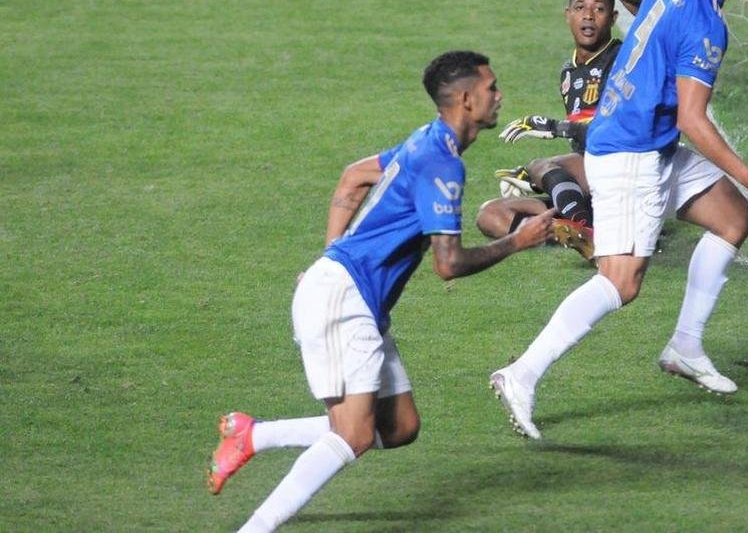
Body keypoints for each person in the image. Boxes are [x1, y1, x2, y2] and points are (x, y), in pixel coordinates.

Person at [206, 51, 555, 532]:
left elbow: (353, 178)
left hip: (355, 298)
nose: (499, 96)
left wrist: (330, 258)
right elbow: (448, 265)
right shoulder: (440, 162)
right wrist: (516, 241)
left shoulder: (425, 139)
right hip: (345, 301)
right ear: (466, 99)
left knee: (399, 426)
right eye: (491, 88)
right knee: (352, 435)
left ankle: (254, 435)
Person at [489, 0, 748, 440]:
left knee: (731, 219)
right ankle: (522, 374)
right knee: (620, 282)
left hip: (648, 144)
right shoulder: (706, 26)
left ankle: (685, 346)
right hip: (631, 155)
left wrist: (653, 47)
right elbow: (693, 120)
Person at [475, 0, 621, 260]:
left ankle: (588, 235)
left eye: (599, 9)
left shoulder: (622, 62)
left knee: (541, 165)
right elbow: (584, 145)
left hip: (621, 169)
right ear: (568, 15)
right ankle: (581, 232)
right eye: (580, 7)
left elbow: (617, 133)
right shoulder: (569, 72)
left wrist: (555, 128)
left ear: (613, 18)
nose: (588, 15)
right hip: (593, 185)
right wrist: (535, 180)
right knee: (491, 213)